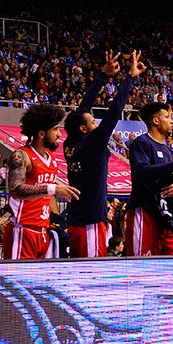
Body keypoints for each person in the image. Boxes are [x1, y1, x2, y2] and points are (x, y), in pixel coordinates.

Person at [63, 50, 143, 257]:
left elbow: (84, 108)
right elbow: (114, 112)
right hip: (90, 223)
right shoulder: (93, 143)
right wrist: (130, 79)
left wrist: (103, 77)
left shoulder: (70, 142)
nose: (95, 123)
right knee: (90, 275)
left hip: (76, 220)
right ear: (84, 129)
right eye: (92, 122)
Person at [4, 103, 80, 259]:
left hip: (44, 231)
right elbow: (15, 189)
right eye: (55, 129)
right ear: (41, 133)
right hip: (23, 230)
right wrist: (52, 188)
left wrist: (58, 219)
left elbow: (48, 195)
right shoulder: (21, 155)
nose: (60, 134)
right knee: (19, 281)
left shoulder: (51, 159)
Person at [124, 102, 173, 256]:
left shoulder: (169, 151)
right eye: (167, 117)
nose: (171, 121)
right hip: (145, 210)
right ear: (155, 121)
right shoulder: (141, 143)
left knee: (168, 265)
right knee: (142, 263)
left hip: (165, 214)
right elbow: (141, 171)